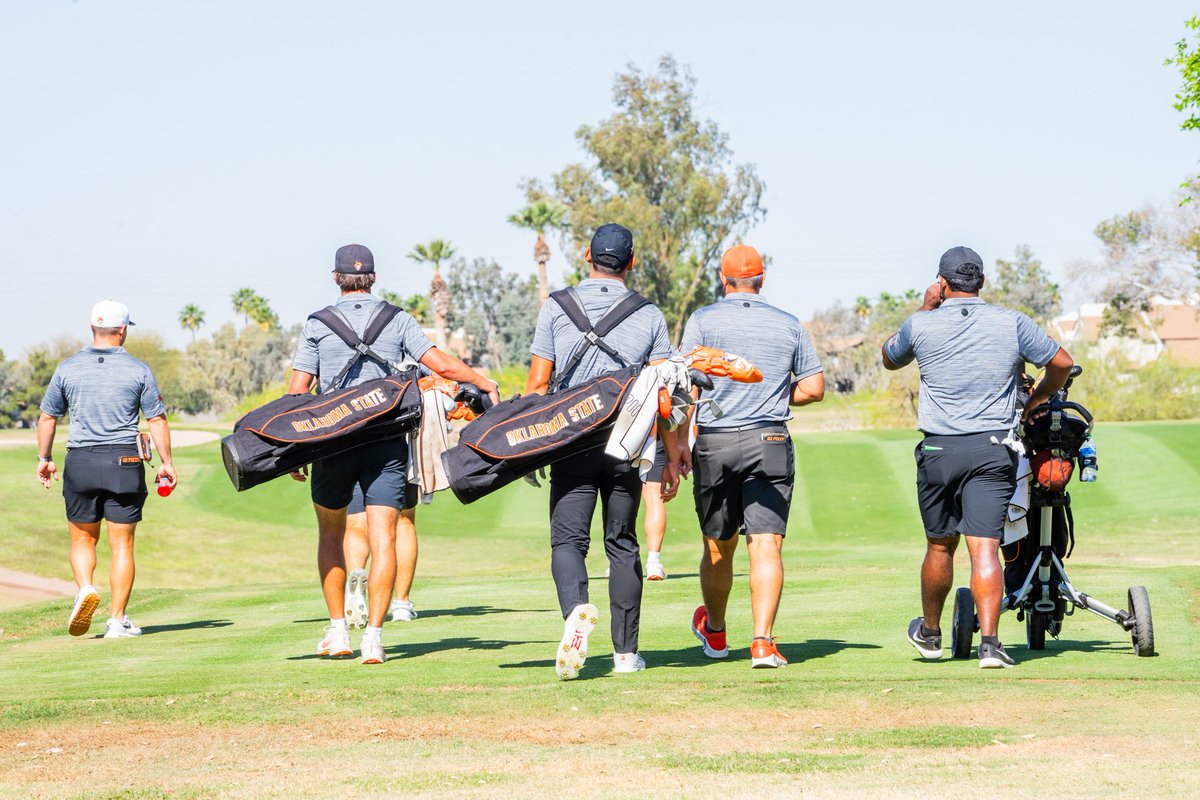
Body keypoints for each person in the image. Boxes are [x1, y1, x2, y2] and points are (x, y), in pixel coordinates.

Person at [289, 243, 499, 665]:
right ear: (372, 278)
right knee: (384, 536)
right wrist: (485, 383)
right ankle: (374, 638)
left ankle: (337, 631)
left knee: (331, 532)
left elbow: (298, 391)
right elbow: (439, 363)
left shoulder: (317, 324)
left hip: (334, 441)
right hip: (385, 442)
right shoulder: (397, 318)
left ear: (336, 278)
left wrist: (296, 446)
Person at [882, 245, 1074, 669]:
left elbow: (889, 357)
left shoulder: (921, 323)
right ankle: (990, 645)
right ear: (982, 282)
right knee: (984, 546)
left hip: (939, 448)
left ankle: (930, 635)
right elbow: (1062, 363)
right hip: (993, 447)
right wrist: (1036, 399)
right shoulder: (1011, 322)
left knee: (938, 545)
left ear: (942, 283)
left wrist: (924, 306)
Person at [525, 222, 683, 679]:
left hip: (571, 439)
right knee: (622, 544)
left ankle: (576, 612)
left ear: (586, 257)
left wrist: (531, 446)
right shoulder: (649, 313)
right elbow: (665, 394)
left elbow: (537, 385)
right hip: (628, 441)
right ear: (632, 262)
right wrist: (672, 453)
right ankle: (625, 655)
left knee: (568, 540)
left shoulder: (557, 307)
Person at [682, 245, 824, 669]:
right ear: (762, 280)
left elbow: (686, 383)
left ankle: (717, 632)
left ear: (723, 280)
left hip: (716, 442)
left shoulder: (703, 320)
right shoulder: (788, 323)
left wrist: (677, 448)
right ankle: (762, 644)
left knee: (718, 545)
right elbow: (814, 388)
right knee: (765, 544)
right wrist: (778, 395)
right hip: (770, 440)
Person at [35, 300, 177, 639]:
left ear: (91, 328)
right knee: (122, 546)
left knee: (83, 539)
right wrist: (167, 463)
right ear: (123, 330)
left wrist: (44, 458)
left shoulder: (67, 368)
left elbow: (47, 417)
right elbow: (156, 418)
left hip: (81, 461)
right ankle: (117, 620)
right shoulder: (138, 370)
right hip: (124, 463)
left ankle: (85, 588)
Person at [343, 485, 419, 627]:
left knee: (356, 520)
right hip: (393, 464)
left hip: (347, 462)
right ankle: (401, 604)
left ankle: (355, 582)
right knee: (403, 518)